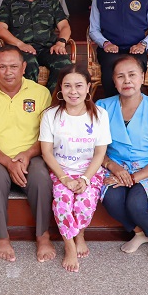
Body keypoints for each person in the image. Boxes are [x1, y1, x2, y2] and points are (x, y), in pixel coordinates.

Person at [0, 45, 55, 262]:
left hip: (32, 154)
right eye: (2, 67)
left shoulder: (41, 93)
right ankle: (1, 236)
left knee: (41, 179)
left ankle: (43, 236)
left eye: (14, 66)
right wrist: (8, 163)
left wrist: (26, 155)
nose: (8, 72)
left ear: (24, 67)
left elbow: (47, 136)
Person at [96, 55, 148, 261]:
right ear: (113, 81)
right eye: (120, 76)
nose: (127, 81)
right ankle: (140, 233)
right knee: (112, 200)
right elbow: (95, 147)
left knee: (136, 204)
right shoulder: (102, 107)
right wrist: (112, 166)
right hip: (115, 166)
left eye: (132, 75)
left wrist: (133, 178)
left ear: (142, 77)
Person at [39, 65, 111, 272]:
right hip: (61, 171)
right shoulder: (51, 115)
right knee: (62, 202)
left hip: (90, 171)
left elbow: (100, 153)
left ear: (88, 87)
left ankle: (80, 234)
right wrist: (64, 178)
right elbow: (47, 152)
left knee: (84, 204)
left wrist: (85, 179)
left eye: (79, 86)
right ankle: (69, 245)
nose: (73, 91)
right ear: (60, 88)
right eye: (67, 86)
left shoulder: (100, 114)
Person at [0, 0, 72, 94]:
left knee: (64, 64)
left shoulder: (51, 1)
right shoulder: (10, 1)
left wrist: (61, 42)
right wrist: (20, 44)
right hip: (20, 48)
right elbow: (0, 29)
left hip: (48, 48)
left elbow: (64, 26)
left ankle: (49, 100)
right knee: (28, 64)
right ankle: (29, 100)